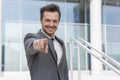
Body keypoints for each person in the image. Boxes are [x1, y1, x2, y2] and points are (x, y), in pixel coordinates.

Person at [24, 4, 69, 80]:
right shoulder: (32, 37)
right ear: (41, 21)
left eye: (55, 21)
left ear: (58, 22)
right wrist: (36, 44)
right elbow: (30, 45)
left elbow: (64, 71)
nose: (51, 24)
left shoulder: (61, 43)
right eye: (47, 20)